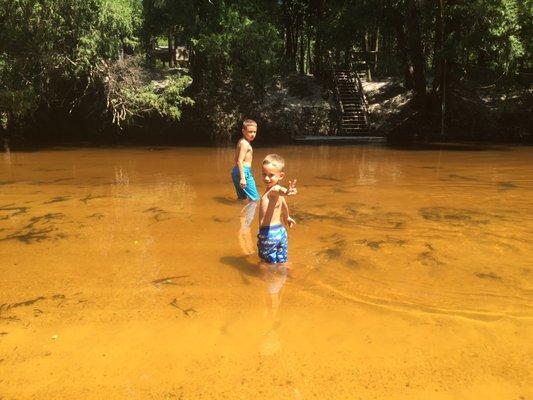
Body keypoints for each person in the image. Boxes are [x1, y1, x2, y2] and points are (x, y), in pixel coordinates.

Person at [257, 154, 297, 265]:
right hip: (280, 232)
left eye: (271, 175)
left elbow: (280, 190)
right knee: (282, 261)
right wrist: (287, 216)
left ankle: (266, 281)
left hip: (268, 234)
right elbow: (284, 205)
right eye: (264, 174)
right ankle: (284, 278)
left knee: (265, 264)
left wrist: (287, 191)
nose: (266, 178)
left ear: (281, 176)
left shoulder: (273, 191)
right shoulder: (277, 195)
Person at [231, 119, 260, 202]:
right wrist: (243, 178)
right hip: (243, 172)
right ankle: (250, 215)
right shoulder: (245, 144)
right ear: (243, 131)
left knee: (242, 198)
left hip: (236, 171)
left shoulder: (242, 141)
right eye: (250, 132)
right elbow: (239, 161)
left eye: (254, 132)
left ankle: (241, 215)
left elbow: (236, 159)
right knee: (255, 199)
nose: (253, 134)